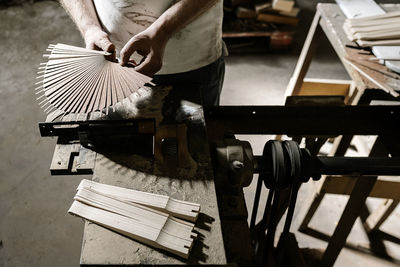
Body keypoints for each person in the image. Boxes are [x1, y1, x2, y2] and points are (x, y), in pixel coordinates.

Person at [60, 0, 226, 107]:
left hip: (191, 63)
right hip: (112, 61)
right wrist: (89, 27)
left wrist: (164, 30)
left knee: (196, 144)